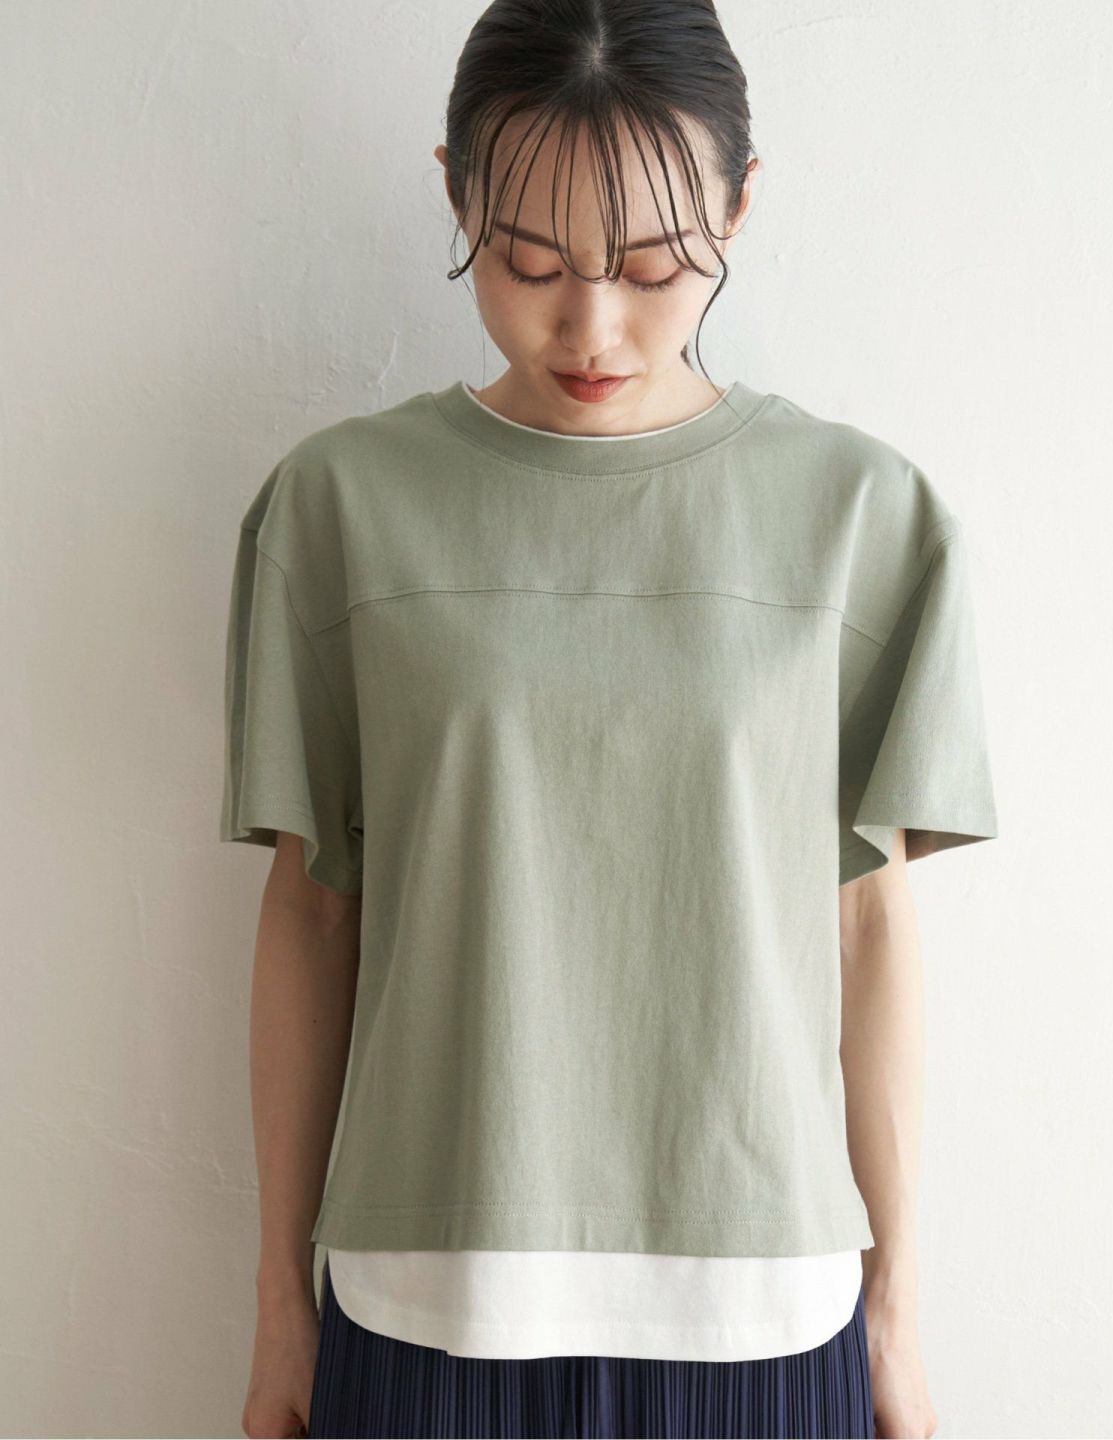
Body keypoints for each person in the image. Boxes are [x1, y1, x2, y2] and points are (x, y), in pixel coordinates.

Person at [221, 3, 999, 1437]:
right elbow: (312, 913)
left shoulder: (862, 520)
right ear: (457, 194)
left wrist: (896, 1312)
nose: (592, 329)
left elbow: (870, 927)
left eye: (653, 267)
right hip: (425, 1308)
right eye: (527, 262)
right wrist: (280, 1308)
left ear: (740, 206)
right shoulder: (338, 510)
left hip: (765, 1315)